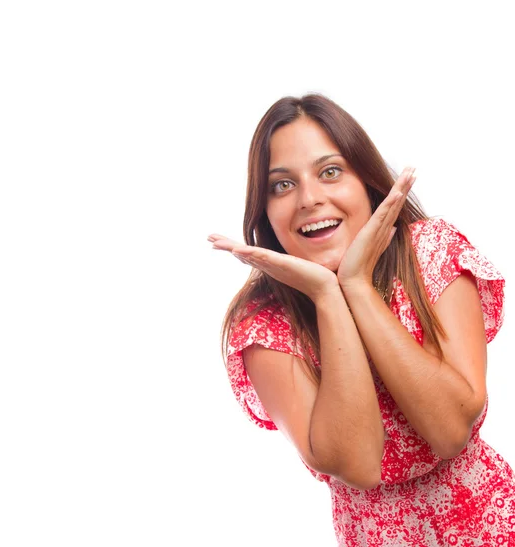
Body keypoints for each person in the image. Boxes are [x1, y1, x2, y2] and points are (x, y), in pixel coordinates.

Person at [208, 94, 515, 546]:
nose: (310, 199)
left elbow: (451, 432)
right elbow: (359, 465)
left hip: (491, 522)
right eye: (282, 185)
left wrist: (356, 285)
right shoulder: (263, 325)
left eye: (330, 172)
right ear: (266, 211)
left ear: (365, 180)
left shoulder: (431, 252)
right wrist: (328, 296)